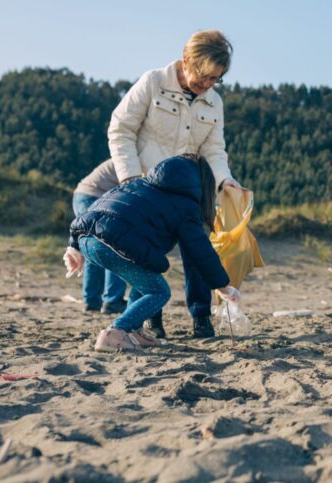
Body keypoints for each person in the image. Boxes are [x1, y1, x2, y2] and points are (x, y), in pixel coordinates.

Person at [107, 29, 240, 338]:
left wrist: (225, 180)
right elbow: (121, 129)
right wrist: (130, 178)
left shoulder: (214, 102)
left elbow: (213, 149)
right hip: (148, 191)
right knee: (148, 255)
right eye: (203, 77)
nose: (207, 85)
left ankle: (201, 316)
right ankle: (153, 320)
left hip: (191, 192)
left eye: (215, 80)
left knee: (198, 250)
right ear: (186, 60)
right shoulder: (152, 82)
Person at [64, 155, 239, 352]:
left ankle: (135, 332)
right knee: (159, 291)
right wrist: (222, 286)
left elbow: (100, 205)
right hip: (114, 242)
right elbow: (200, 251)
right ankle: (116, 331)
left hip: (87, 238)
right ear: (202, 183)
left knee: (146, 279)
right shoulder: (186, 204)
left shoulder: (139, 183)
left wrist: (74, 245)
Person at [72, 160, 127, 314]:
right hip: (93, 196)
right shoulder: (132, 158)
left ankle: (92, 301)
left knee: (94, 249)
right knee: (115, 247)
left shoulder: (129, 153)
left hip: (85, 195)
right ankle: (112, 300)